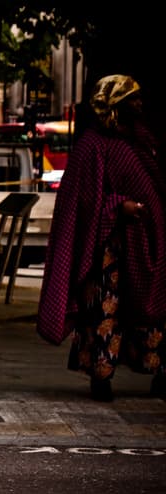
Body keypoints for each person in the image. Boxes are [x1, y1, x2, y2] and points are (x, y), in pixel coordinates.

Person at [37, 74, 166, 402]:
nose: (139, 104)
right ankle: (101, 374)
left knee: (151, 309)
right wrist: (116, 205)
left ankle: (158, 371)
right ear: (115, 105)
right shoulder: (92, 144)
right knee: (104, 312)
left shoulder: (141, 141)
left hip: (144, 242)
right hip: (106, 248)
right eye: (131, 99)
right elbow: (81, 199)